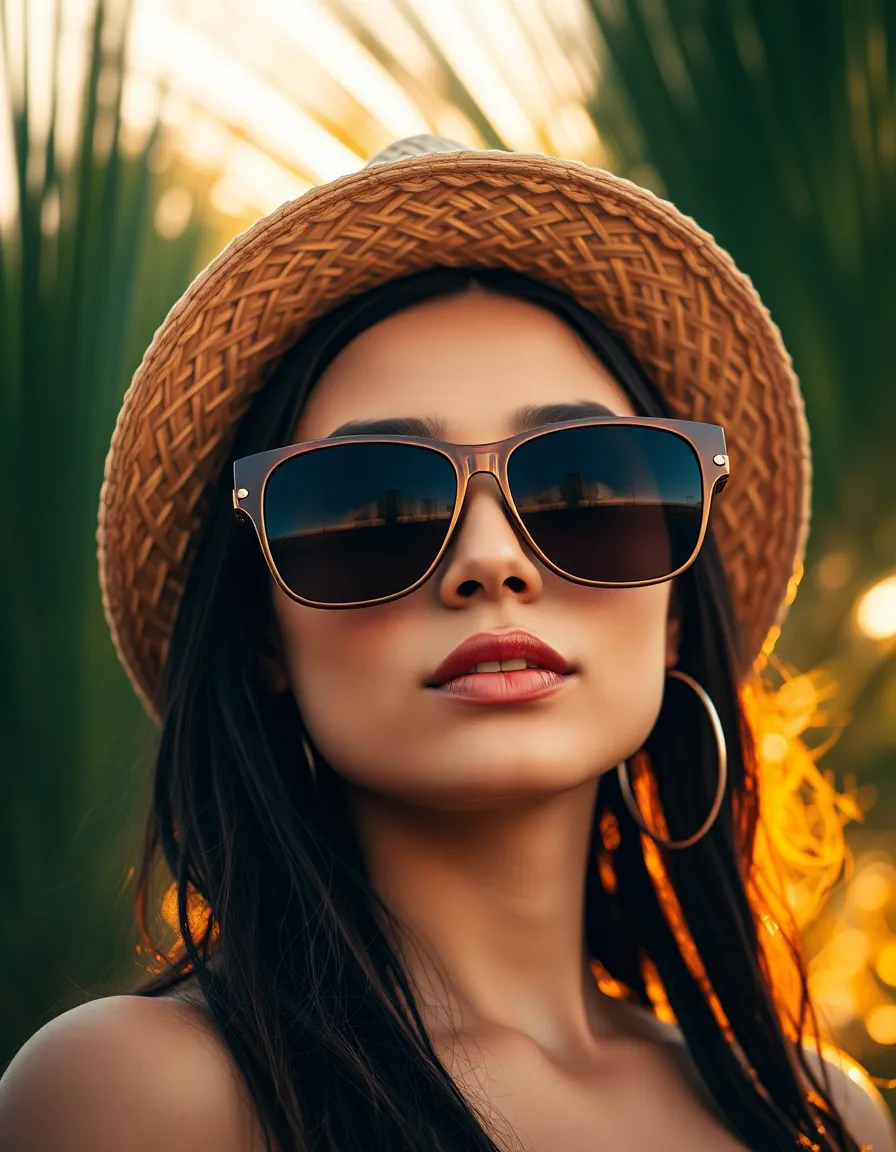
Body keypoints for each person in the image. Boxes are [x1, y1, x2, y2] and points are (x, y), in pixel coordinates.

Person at [1, 136, 894, 1152]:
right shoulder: (136, 1094)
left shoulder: (826, 1118)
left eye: (584, 493)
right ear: (264, 638)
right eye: (373, 510)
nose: (491, 561)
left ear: (677, 610)